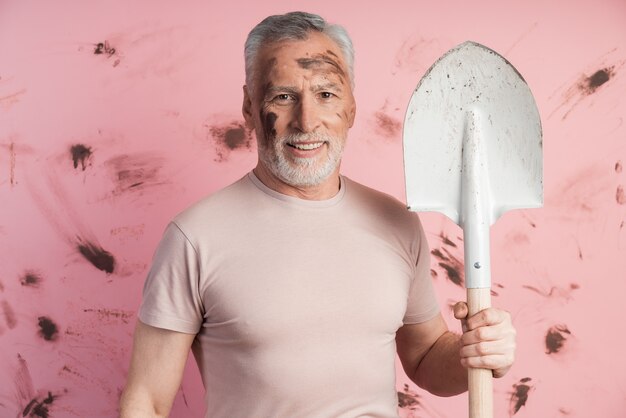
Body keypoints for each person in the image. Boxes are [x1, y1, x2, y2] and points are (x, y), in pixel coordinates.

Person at [119, 11, 516, 418]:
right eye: (284, 96)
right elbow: (146, 400)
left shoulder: (397, 223)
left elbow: (427, 359)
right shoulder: (194, 237)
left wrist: (478, 351)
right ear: (249, 106)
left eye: (326, 94)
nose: (306, 122)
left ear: (351, 108)